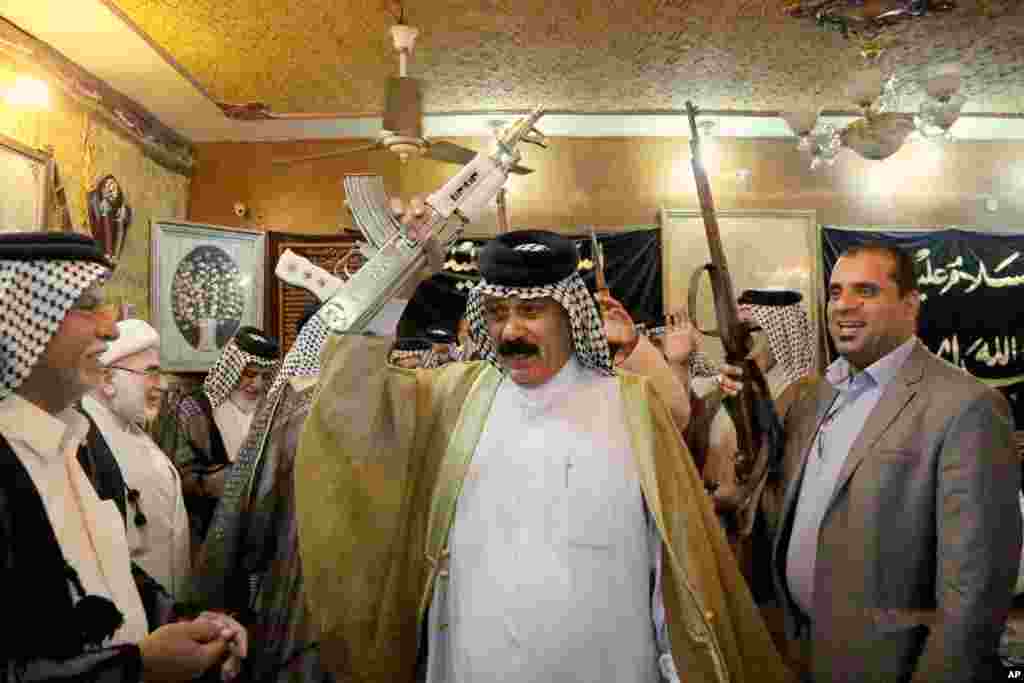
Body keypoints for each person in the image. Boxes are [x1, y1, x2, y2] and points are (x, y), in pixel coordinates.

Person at [295, 228, 793, 682]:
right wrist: (395, 278)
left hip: (609, 663)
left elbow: (675, 564)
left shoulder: (632, 405)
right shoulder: (453, 399)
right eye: (496, 313)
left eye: (531, 311)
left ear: (570, 313)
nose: (511, 332)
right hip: (479, 661)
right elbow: (353, 407)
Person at [762, 243, 1019, 681]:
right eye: (836, 291)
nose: (843, 305)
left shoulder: (965, 406)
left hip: (892, 666)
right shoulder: (817, 397)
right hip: (803, 653)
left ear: (910, 304)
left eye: (866, 291)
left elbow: (975, 593)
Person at [0, 231, 246, 683]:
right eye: (87, 304)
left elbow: (107, 571)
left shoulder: (77, 444)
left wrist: (183, 621)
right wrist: (139, 667)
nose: (110, 328)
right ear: (18, 318)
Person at [81, 319, 191, 599]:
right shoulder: (83, 441)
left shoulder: (130, 428)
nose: (163, 385)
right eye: (151, 374)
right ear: (108, 380)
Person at [160, 327, 280, 551]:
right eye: (250, 374)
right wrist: (230, 478)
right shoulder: (194, 409)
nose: (257, 385)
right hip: (206, 535)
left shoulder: (270, 412)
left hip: (256, 537)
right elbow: (176, 477)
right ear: (232, 368)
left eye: (264, 376)